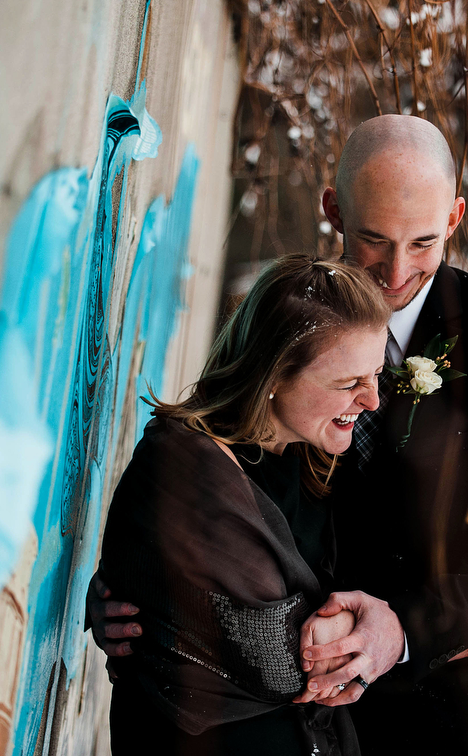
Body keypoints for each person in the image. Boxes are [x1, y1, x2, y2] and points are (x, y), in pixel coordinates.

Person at [92, 116, 468, 756]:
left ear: (455, 217)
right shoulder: (285, 315)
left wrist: (403, 631)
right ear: (333, 208)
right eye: (374, 239)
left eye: (424, 243)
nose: (397, 271)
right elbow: (218, 473)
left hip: (448, 714)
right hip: (294, 713)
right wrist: (150, 585)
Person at [98, 255, 390, 755]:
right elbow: (281, 659)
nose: (372, 400)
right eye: (348, 384)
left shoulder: (307, 461)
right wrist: (362, 629)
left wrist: (378, 627)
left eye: (376, 374)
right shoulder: (187, 467)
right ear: (274, 374)